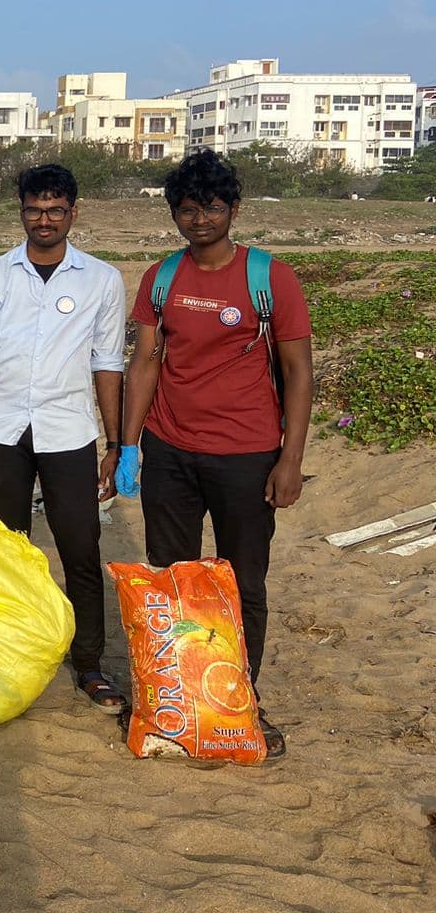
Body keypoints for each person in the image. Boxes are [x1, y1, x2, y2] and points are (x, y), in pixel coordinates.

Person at [116, 149, 313, 758]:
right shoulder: (161, 277)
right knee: (174, 580)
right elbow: (146, 360)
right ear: (174, 213)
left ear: (233, 209)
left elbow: (299, 371)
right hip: (171, 450)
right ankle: (174, 696)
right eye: (187, 209)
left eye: (212, 207)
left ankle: (241, 700)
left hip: (247, 454)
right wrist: (128, 443)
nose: (199, 219)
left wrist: (288, 460)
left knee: (241, 582)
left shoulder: (268, 276)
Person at [0, 163, 127, 712]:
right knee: (9, 550)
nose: (44, 219)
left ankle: (89, 663)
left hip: (69, 432)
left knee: (80, 549)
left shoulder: (101, 280)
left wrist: (115, 443)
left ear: (73, 213)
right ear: (21, 212)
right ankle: (13, 651)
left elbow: (107, 365)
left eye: (55, 210)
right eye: (34, 210)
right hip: (4, 432)